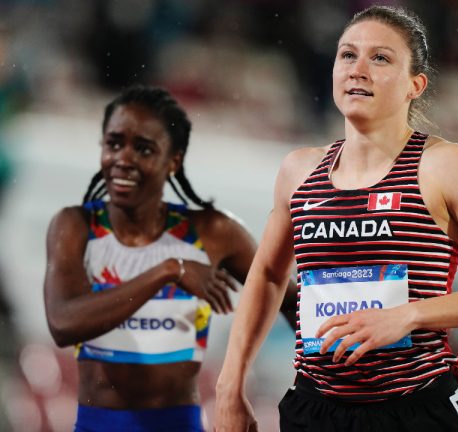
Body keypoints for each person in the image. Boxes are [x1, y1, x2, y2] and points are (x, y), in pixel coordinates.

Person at [214, 5, 458, 432]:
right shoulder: (298, 172)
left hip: (418, 407)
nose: (358, 69)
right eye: (347, 55)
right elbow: (268, 274)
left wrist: (408, 315)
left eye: (381, 58)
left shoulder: (443, 166)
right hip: (316, 410)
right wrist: (230, 381)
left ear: (415, 85)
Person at [43, 85, 297, 431]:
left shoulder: (214, 232)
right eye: (113, 143)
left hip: (178, 422)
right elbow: (63, 323)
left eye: (143, 148)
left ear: (173, 160)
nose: (123, 159)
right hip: (96, 423)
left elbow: (290, 301)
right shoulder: (75, 226)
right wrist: (169, 271)